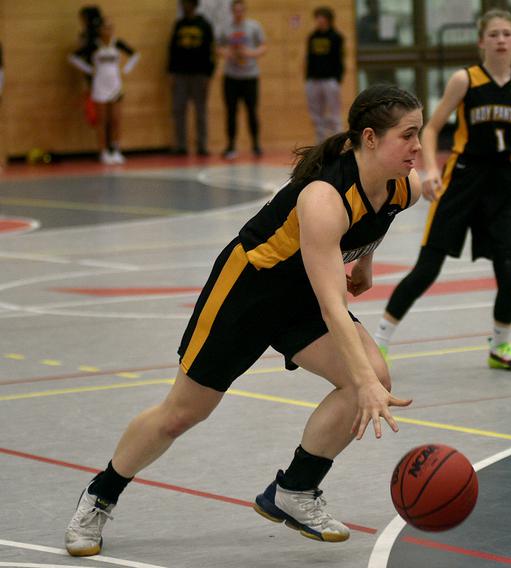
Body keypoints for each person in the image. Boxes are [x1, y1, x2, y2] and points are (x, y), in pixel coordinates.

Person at [63, 84, 422, 556]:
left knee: (372, 375)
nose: (418, 147)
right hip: (247, 292)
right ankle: (100, 495)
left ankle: (295, 490)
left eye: (421, 133)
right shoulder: (323, 197)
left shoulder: (405, 186)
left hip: (301, 296)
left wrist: (367, 261)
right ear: (370, 138)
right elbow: (333, 305)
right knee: (183, 413)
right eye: (408, 135)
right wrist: (365, 384)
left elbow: (379, 218)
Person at [373, 9, 511, 372]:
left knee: (509, 272)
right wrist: (432, 169)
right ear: (481, 41)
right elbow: (432, 128)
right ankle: (379, 342)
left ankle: (500, 346)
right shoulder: (464, 80)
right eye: (494, 34)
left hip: (502, 183)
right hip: (463, 177)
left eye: (507, 34)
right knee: (427, 268)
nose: (501, 39)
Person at [68, 19, 140, 165]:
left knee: (116, 119)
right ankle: (103, 151)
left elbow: (135, 55)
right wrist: (89, 69)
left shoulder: (117, 43)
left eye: (110, 28)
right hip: (100, 85)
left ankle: (116, 149)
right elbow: (73, 57)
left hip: (115, 85)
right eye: (105, 28)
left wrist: (126, 69)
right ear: (100, 30)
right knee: (102, 120)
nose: (108, 31)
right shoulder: (94, 45)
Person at [217, 0, 267, 160]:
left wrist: (251, 53)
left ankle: (256, 144)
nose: (238, 13)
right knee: (231, 112)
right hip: (231, 76)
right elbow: (218, 47)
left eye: (241, 10)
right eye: (235, 11)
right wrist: (227, 53)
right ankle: (231, 146)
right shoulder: (225, 27)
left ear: (244, 11)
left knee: (252, 111)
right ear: (232, 11)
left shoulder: (253, 26)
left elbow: (263, 46)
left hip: (250, 76)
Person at [168, 0, 215, 156]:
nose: (184, 6)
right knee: (179, 109)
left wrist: (209, 75)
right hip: (181, 75)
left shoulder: (204, 25)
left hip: (199, 75)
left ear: (194, 5)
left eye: (186, 3)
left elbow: (211, 51)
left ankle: (202, 145)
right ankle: (181, 145)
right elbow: (172, 50)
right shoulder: (179, 24)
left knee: (200, 111)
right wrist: (171, 73)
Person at [305, 7, 345, 143]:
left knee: (334, 113)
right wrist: (308, 78)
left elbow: (339, 59)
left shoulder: (336, 37)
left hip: (330, 80)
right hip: (314, 80)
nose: (319, 21)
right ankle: (320, 143)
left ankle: (339, 142)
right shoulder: (312, 37)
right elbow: (309, 58)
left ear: (328, 20)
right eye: (317, 18)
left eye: (321, 18)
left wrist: (337, 79)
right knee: (316, 115)